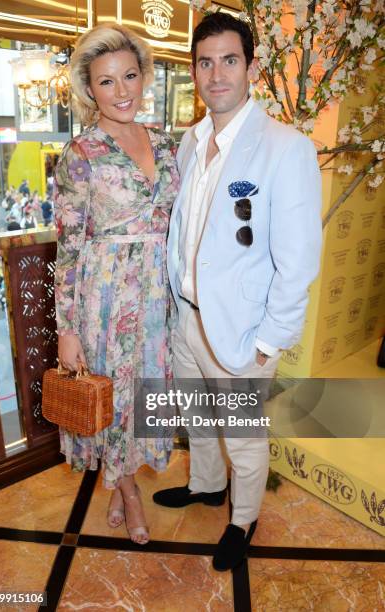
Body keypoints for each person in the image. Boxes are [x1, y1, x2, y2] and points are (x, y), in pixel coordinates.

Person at [153, 12, 322, 571]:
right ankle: (204, 485)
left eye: (229, 60)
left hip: (243, 332)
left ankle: (243, 517)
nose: (216, 74)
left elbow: (297, 262)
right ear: (195, 71)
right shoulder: (189, 141)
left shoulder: (284, 147)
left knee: (244, 439)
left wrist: (269, 343)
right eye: (205, 62)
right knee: (196, 416)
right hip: (188, 317)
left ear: (251, 67)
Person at [54, 23, 179, 545]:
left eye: (130, 75)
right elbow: (67, 247)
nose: (122, 91)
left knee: (143, 398)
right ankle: (129, 494)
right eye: (107, 82)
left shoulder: (169, 144)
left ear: (145, 77)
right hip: (104, 301)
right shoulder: (80, 154)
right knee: (113, 401)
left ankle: (118, 478)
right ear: (90, 90)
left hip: (158, 299)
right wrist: (67, 328)